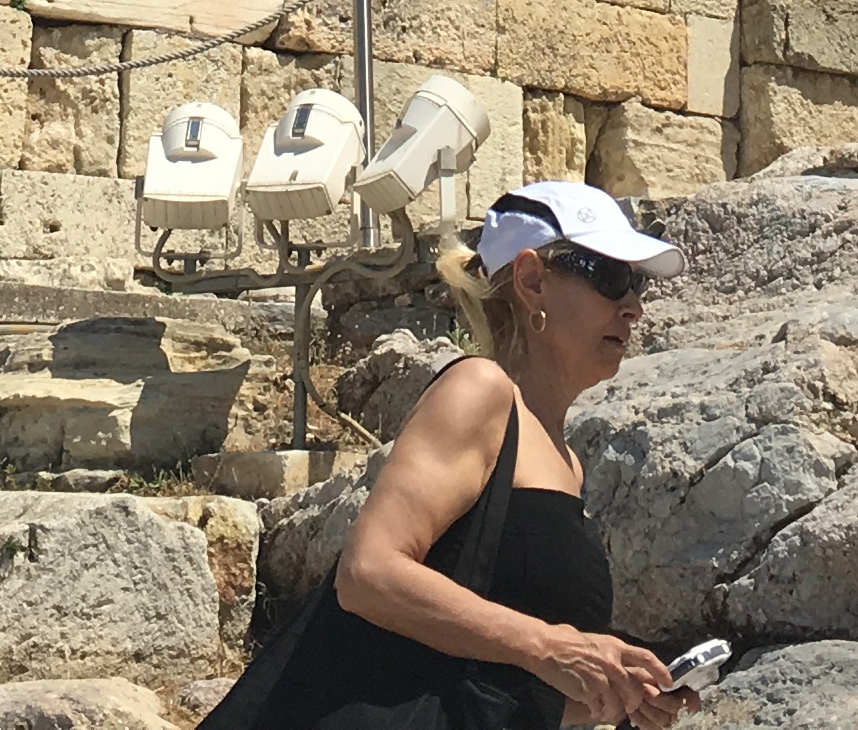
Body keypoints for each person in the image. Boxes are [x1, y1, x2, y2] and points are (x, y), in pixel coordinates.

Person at [204, 177, 689, 730]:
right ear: (532, 281)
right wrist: (548, 646)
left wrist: (615, 694)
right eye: (612, 277)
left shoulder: (567, 462)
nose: (633, 306)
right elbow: (368, 573)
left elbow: (478, 682)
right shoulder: (479, 391)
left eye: (637, 284)